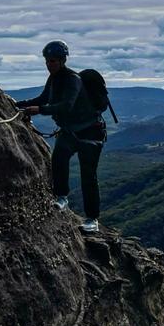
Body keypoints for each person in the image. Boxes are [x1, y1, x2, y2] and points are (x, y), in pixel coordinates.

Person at [15, 40, 106, 233]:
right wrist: (18, 104)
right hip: (71, 131)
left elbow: (67, 105)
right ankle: (61, 197)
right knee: (58, 160)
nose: (50, 65)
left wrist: (39, 110)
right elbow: (43, 98)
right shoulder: (54, 79)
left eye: (53, 61)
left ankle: (92, 219)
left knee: (88, 175)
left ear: (63, 60)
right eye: (47, 61)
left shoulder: (73, 79)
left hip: (90, 132)